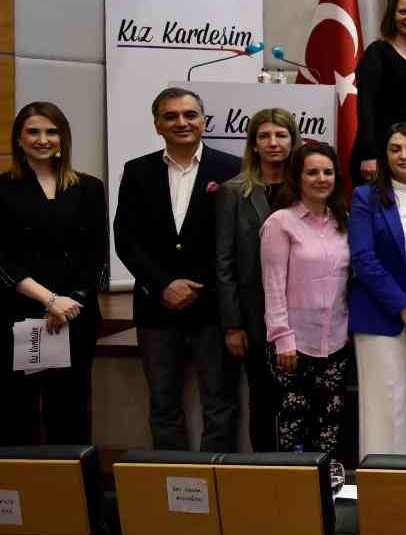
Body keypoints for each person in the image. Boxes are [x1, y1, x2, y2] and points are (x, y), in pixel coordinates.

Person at [113, 88, 242, 451]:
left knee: (220, 405)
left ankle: (218, 488)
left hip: (214, 308)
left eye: (190, 114)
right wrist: (163, 284)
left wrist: (198, 285)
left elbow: (235, 241)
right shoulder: (137, 171)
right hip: (157, 307)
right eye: (171, 116)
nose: (181, 122)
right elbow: (126, 238)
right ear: (157, 125)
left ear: (204, 121)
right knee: (163, 406)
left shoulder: (232, 168)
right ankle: (173, 492)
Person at [0, 103, 107, 446]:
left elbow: (95, 253)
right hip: (18, 315)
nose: (43, 139)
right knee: (17, 413)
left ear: (63, 138)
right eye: (33, 131)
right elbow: (2, 257)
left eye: (51, 131)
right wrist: (48, 300)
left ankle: (74, 498)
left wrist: (70, 302)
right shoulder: (2, 188)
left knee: (71, 413)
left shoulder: (89, 187)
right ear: (19, 139)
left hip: (75, 315)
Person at [349, 122, 406, 457]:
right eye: (395, 149)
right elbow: (362, 257)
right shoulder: (366, 196)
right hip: (380, 306)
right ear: (384, 156)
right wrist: (402, 304)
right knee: (387, 403)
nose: (404, 155)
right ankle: (382, 484)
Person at [260, 141, 352, 462]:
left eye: (327, 172)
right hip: (293, 347)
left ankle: (327, 491)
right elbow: (272, 287)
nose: (321, 178)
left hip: (336, 343)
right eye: (312, 172)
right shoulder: (280, 223)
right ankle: (294, 496)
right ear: (297, 177)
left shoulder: (344, 221)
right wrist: (282, 338)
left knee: (329, 425)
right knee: (292, 427)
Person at [215, 108, 300, 452]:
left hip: (300, 310)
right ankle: (263, 471)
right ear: (253, 144)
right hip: (252, 316)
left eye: (280, 135)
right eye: (264, 136)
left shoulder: (306, 187)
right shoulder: (233, 192)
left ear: (293, 141)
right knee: (262, 399)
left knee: (298, 400)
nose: (273, 143)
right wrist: (232, 325)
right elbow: (224, 262)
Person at [355, 0, 406, 180]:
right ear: (392, 15)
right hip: (380, 154)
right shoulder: (377, 52)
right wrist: (369, 154)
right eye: (403, 11)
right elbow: (366, 105)